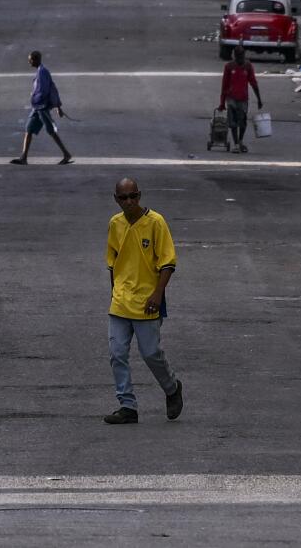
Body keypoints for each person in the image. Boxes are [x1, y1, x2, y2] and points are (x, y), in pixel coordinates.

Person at [103, 178, 183, 424]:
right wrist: (115, 290)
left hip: (148, 299)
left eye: (133, 196)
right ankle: (127, 405)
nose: (129, 202)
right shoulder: (115, 224)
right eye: (124, 198)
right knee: (117, 353)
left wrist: (158, 294)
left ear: (140, 195)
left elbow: (168, 262)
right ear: (116, 199)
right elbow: (112, 261)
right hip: (121, 300)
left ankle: (172, 388)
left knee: (150, 353)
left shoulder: (156, 222)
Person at [12, 50, 72, 165]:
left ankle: (66, 154)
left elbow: (48, 90)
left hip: (42, 107)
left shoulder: (43, 72)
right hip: (37, 107)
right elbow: (51, 88)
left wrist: (57, 106)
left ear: (35, 60)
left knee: (51, 131)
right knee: (28, 129)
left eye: (30, 60)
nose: (29, 62)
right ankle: (23, 157)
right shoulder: (41, 71)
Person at [219, 46, 263, 154]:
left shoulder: (248, 66)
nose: (240, 60)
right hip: (231, 98)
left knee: (242, 122)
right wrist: (222, 102)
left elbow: (253, 83)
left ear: (244, 56)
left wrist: (259, 99)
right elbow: (224, 85)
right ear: (235, 56)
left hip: (243, 99)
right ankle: (236, 144)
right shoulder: (229, 67)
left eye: (241, 57)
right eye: (238, 57)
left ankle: (240, 140)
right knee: (233, 123)